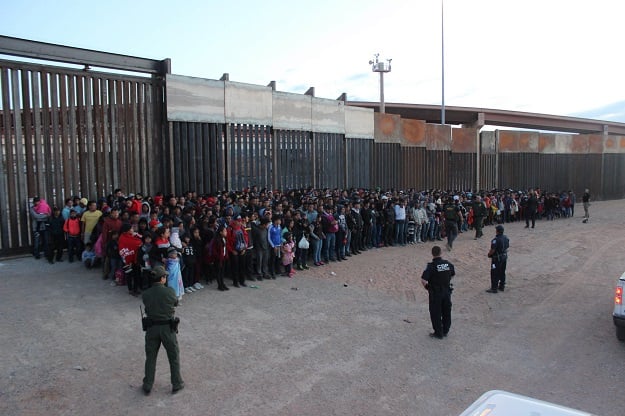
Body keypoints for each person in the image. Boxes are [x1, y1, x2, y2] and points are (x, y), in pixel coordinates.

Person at [141, 265, 184, 396]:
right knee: (173, 356)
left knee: (151, 357)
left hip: (151, 328)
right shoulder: (169, 291)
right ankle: (176, 383)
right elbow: (175, 303)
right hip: (167, 328)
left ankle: (148, 384)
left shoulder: (146, 294)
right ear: (162, 278)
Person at [420, 245, 455, 339]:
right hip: (447, 291)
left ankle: (438, 332)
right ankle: (445, 330)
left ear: (432, 254)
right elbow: (452, 274)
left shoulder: (431, 266)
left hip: (436, 293)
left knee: (435, 312)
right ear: (441, 253)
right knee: (446, 311)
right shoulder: (447, 264)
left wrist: (428, 288)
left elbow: (423, 280)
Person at [486, 224, 510, 293]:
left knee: (494, 273)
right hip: (504, 257)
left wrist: (489, 254)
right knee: (502, 272)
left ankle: (494, 288)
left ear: (497, 231)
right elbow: (507, 246)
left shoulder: (495, 240)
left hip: (497, 258)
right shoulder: (506, 238)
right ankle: (502, 286)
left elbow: (492, 250)